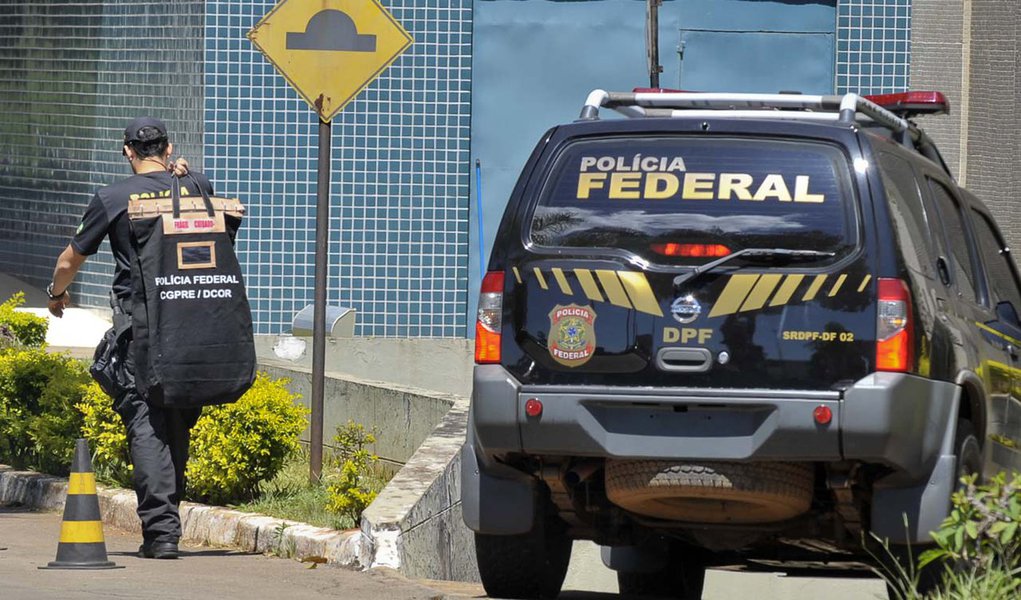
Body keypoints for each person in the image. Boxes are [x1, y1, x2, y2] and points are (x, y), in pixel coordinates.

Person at [47, 117, 209, 560]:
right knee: (175, 422)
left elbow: (69, 259)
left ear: (127, 152)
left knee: (145, 421)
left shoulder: (113, 198)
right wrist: (188, 177)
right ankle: (166, 523)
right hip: (192, 323)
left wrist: (56, 295)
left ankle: (161, 534)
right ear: (169, 147)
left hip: (142, 327)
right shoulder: (196, 186)